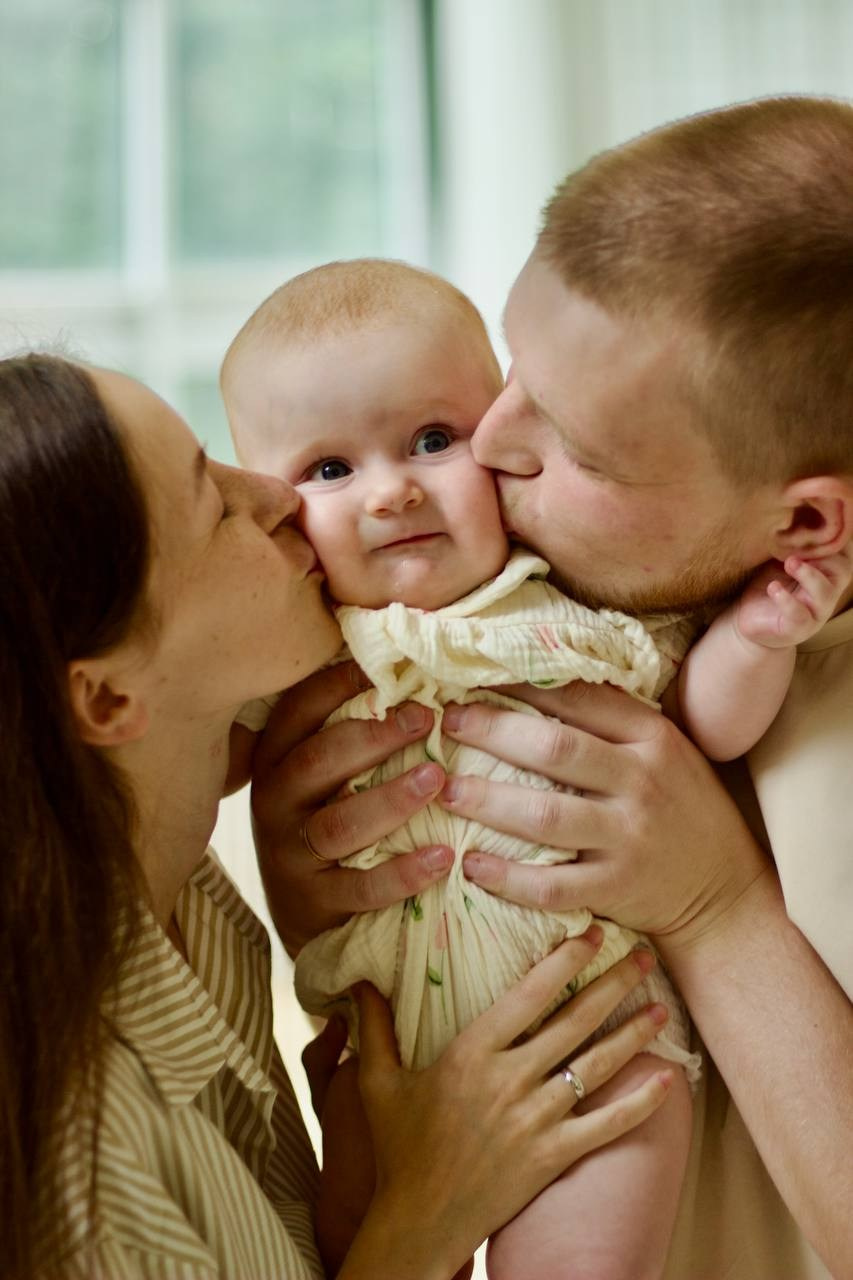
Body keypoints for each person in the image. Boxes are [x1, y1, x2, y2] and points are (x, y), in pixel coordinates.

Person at [244, 97, 853, 1280]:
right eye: (512, 375)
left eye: (576, 446)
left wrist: (713, 907)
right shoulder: (577, 580)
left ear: (804, 524)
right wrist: (325, 877)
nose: (491, 443)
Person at [0, 352, 679, 1280]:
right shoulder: (88, 1185)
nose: (276, 496)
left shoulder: (172, 887)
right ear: (109, 704)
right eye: (214, 506)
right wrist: (419, 1221)